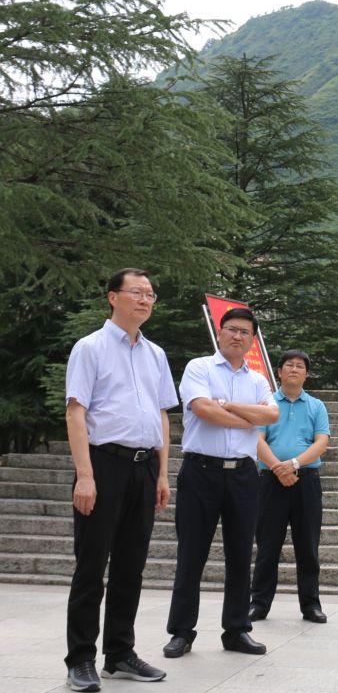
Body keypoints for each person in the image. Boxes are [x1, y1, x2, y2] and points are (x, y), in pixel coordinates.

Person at [63, 268, 176, 692]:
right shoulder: (89, 348)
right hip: (103, 464)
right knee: (91, 566)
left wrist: (163, 471)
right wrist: (85, 476)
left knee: (132, 566)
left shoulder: (156, 354)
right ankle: (81, 659)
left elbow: (162, 413)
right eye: (136, 292)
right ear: (113, 297)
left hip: (145, 468)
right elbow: (76, 412)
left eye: (150, 294)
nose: (145, 300)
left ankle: (120, 653)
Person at [162, 307, 279, 659]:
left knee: (241, 554)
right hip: (201, 471)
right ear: (220, 331)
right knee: (191, 554)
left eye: (245, 332)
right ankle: (181, 632)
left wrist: (226, 405)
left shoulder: (258, 379)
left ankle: (237, 629)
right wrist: (246, 416)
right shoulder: (199, 367)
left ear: (252, 339)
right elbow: (202, 410)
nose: (238, 336)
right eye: (231, 329)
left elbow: (271, 415)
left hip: (243, 474)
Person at [249, 349, 331, 624]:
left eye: (300, 366)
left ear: (307, 374)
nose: (294, 369)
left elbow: (321, 442)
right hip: (270, 482)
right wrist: (277, 468)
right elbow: (257, 440)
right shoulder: (267, 403)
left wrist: (294, 464)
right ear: (280, 372)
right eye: (289, 365)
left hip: (306, 480)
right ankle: (258, 603)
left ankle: (311, 605)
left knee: (308, 546)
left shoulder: (316, 406)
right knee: (267, 546)